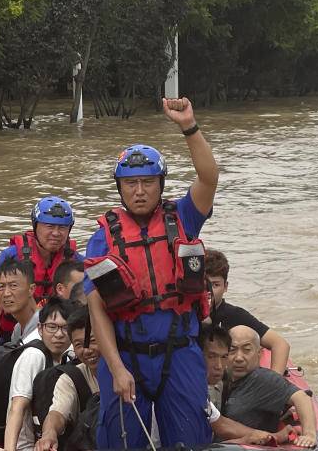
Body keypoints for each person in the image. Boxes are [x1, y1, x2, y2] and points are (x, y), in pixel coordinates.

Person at [84, 97, 218, 449]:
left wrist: (188, 126)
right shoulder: (103, 238)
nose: (139, 191)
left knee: (191, 441)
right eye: (131, 183)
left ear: (160, 184)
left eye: (147, 182)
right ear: (120, 187)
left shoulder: (184, 217)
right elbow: (96, 307)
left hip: (180, 354)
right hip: (127, 355)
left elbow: (209, 176)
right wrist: (115, 368)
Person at [0, 196, 81, 350]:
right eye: (49, 226)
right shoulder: (11, 256)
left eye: (62, 228)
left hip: (58, 335)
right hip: (12, 334)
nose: (56, 233)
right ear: (36, 226)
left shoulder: (76, 262)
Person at [221, 326, 316, 448]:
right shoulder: (218, 378)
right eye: (232, 350)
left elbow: (302, 397)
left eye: (247, 350)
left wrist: (309, 434)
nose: (239, 358)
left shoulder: (264, 379)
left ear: (259, 354)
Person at [3, 297, 75, 451]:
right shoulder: (33, 356)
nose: (59, 334)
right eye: (52, 327)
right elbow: (17, 408)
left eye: (65, 328)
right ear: (40, 329)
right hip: (26, 446)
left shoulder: (69, 357)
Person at [200, 325, 289, 446]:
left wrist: (272, 436)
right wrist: (242, 441)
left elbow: (221, 424)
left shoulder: (203, 391)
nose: (219, 366)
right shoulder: (189, 389)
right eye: (212, 357)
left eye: (224, 357)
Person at [206, 249, 291, 374]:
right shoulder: (182, 315)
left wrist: (274, 383)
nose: (208, 292)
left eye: (215, 285)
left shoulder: (234, 315)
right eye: (203, 285)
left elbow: (280, 345)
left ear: (226, 287)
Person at [35, 306, 101, 451]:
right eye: (79, 345)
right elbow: (57, 413)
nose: (87, 350)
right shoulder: (71, 379)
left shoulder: (127, 372)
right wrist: (49, 434)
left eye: (93, 340)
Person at [0, 258, 40, 344]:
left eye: (13, 285)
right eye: (1, 287)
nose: (6, 293)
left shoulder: (43, 326)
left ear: (31, 289)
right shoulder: (18, 329)